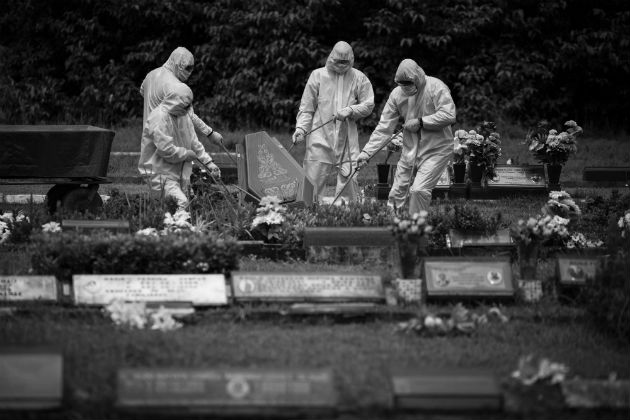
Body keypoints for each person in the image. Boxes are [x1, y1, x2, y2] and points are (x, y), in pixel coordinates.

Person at [357, 59, 456, 215]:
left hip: (437, 149)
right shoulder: (397, 95)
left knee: (419, 190)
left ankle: (416, 229)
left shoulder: (436, 87)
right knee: (396, 192)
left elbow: (449, 115)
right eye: (401, 83)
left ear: (417, 77)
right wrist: (366, 153)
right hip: (410, 149)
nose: (405, 87)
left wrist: (422, 122)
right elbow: (384, 128)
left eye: (408, 83)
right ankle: (391, 227)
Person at [292, 41, 375, 203]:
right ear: (331, 58)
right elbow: (307, 107)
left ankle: (348, 220)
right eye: (338, 61)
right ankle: (309, 218)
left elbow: (368, 104)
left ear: (351, 60)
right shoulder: (318, 75)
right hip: (319, 137)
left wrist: (351, 110)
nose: (341, 65)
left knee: (349, 182)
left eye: (345, 62)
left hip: (347, 140)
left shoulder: (359, 77)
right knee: (312, 183)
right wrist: (301, 129)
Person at [139, 46, 222, 175]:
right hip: (169, 143)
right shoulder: (176, 87)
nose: (189, 72)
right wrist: (210, 134)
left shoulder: (151, 75)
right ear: (177, 64)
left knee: (158, 184)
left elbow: (143, 91)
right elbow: (190, 119)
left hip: (150, 138)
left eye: (192, 68)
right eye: (187, 68)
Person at [141, 82, 219, 209]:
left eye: (189, 105)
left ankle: (177, 227)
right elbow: (165, 150)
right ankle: (172, 228)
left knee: (188, 206)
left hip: (179, 172)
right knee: (181, 203)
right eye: (186, 106)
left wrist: (209, 163)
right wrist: (185, 153)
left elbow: (194, 143)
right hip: (160, 173)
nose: (189, 109)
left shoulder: (183, 114)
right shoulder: (159, 118)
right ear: (175, 102)